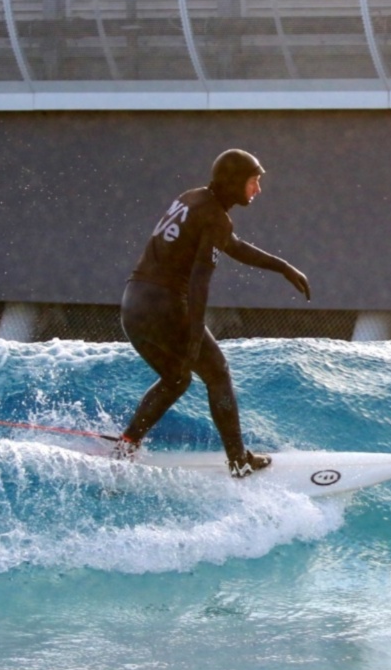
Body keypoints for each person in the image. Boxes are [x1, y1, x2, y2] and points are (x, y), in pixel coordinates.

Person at [118, 148, 310, 475]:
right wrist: (194, 334)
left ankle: (127, 444)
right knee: (217, 372)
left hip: (134, 303)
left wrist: (283, 267)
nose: (257, 190)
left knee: (177, 378)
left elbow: (231, 244)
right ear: (234, 182)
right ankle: (239, 460)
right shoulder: (214, 216)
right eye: (253, 182)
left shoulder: (193, 199)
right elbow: (199, 281)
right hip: (165, 305)